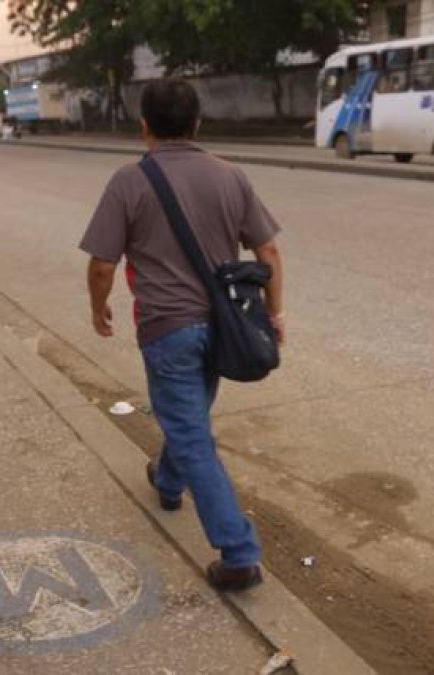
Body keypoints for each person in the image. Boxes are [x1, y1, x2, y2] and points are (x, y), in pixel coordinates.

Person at [79, 79, 285, 592]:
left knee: (192, 433)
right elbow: (270, 254)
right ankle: (167, 480)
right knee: (189, 421)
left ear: (143, 124)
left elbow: (103, 263)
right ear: (197, 123)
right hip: (223, 326)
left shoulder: (129, 181)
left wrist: (98, 307)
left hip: (167, 328)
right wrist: (275, 314)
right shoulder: (231, 176)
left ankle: (238, 554)